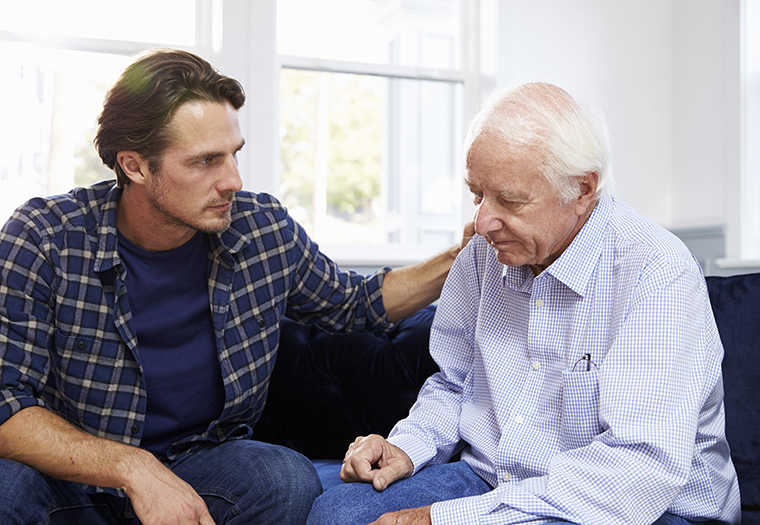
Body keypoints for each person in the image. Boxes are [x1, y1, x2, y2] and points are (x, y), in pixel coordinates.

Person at [0, 48, 473, 525]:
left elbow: (356, 304)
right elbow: (6, 402)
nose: (233, 180)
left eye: (233, 154)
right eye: (206, 161)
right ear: (135, 166)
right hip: (73, 475)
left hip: (198, 465)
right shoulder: (45, 237)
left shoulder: (261, 229)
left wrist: (464, 255)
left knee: (283, 477)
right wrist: (131, 467)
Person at [307, 82, 741, 525]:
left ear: (582, 190)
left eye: (510, 200)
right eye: (477, 195)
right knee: (339, 515)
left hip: (639, 503)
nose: (483, 221)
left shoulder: (656, 272)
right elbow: (456, 384)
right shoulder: (483, 252)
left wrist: (441, 519)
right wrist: (408, 446)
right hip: (495, 478)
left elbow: (634, 471)